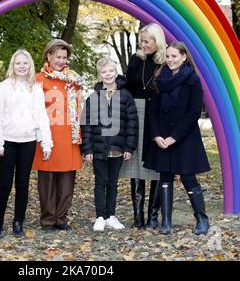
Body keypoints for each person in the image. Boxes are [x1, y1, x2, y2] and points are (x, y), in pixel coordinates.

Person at [144, 41, 211, 235]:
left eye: (174, 56)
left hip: (184, 137)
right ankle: (166, 222)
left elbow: (193, 113)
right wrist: (156, 135)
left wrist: (174, 137)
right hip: (162, 137)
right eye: (168, 56)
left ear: (183, 57)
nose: (170, 60)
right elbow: (153, 112)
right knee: (165, 177)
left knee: (189, 178)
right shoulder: (159, 80)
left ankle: (201, 220)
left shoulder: (193, 80)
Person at [0, 49, 53, 238]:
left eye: (25, 63)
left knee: (23, 183)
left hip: (28, 141)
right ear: (13, 65)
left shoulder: (35, 88)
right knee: (5, 184)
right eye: (18, 63)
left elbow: (41, 116)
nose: (21, 66)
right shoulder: (3, 87)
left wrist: (47, 143)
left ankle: (18, 222)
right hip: (7, 142)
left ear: (30, 66)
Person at [32, 39, 84, 231]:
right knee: (47, 181)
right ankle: (47, 219)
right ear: (49, 56)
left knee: (66, 181)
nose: (61, 61)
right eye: (58, 57)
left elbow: (79, 108)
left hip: (69, 136)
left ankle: (61, 218)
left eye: (64, 57)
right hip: (48, 136)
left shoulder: (74, 80)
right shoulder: (37, 79)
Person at [81, 58, 139, 232]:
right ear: (99, 75)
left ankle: (111, 216)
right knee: (100, 182)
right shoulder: (93, 98)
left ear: (116, 72)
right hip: (98, 149)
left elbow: (132, 123)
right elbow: (87, 125)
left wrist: (129, 147)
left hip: (117, 148)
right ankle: (100, 216)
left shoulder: (126, 96)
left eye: (111, 71)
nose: (108, 74)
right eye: (104, 72)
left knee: (113, 183)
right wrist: (87, 149)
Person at [120, 23, 166, 229]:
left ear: (157, 41)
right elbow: (128, 86)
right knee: (136, 164)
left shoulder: (166, 62)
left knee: (156, 164)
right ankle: (137, 215)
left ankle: (153, 216)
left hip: (158, 113)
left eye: (147, 41)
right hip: (137, 111)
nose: (143, 44)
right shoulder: (136, 59)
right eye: (142, 41)